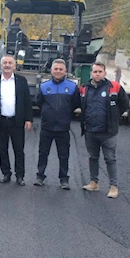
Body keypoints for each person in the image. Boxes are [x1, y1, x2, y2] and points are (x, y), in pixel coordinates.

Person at [79, 61, 129, 198]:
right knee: (92, 157)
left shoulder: (114, 87)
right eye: (95, 72)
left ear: (105, 73)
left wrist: (114, 117)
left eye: (100, 72)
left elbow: (124, 104)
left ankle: (113, 186)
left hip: (108, 132)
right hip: (90, 130)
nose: (97, 74)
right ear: (91, 73)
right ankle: (94, 182)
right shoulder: (84, 88)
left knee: (110, 159)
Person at [0, 54, 33, 184]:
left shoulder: (21, 81)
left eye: (10, 63)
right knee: (2, 149)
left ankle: (20, 176)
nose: (7, 65)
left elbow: (27, 101)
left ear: (14, 66)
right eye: (5, 63)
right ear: (1, 65)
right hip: (0, 121)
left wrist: (29, 119)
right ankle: (6, 174)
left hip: (16, 121)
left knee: (19, 150)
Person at [35, 58, 81, 189]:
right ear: (51, 70)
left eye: (61, 69)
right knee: (43, 153)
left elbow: (75, 103)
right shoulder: (44, 86)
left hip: (63, 127)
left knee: (64, 154)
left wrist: (65, 113)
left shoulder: (72, 87)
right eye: (56, 69)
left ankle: (64, 179)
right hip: (47, 127)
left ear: (65, 71)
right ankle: (40, 176)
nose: (58, 71)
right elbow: (39, 102)